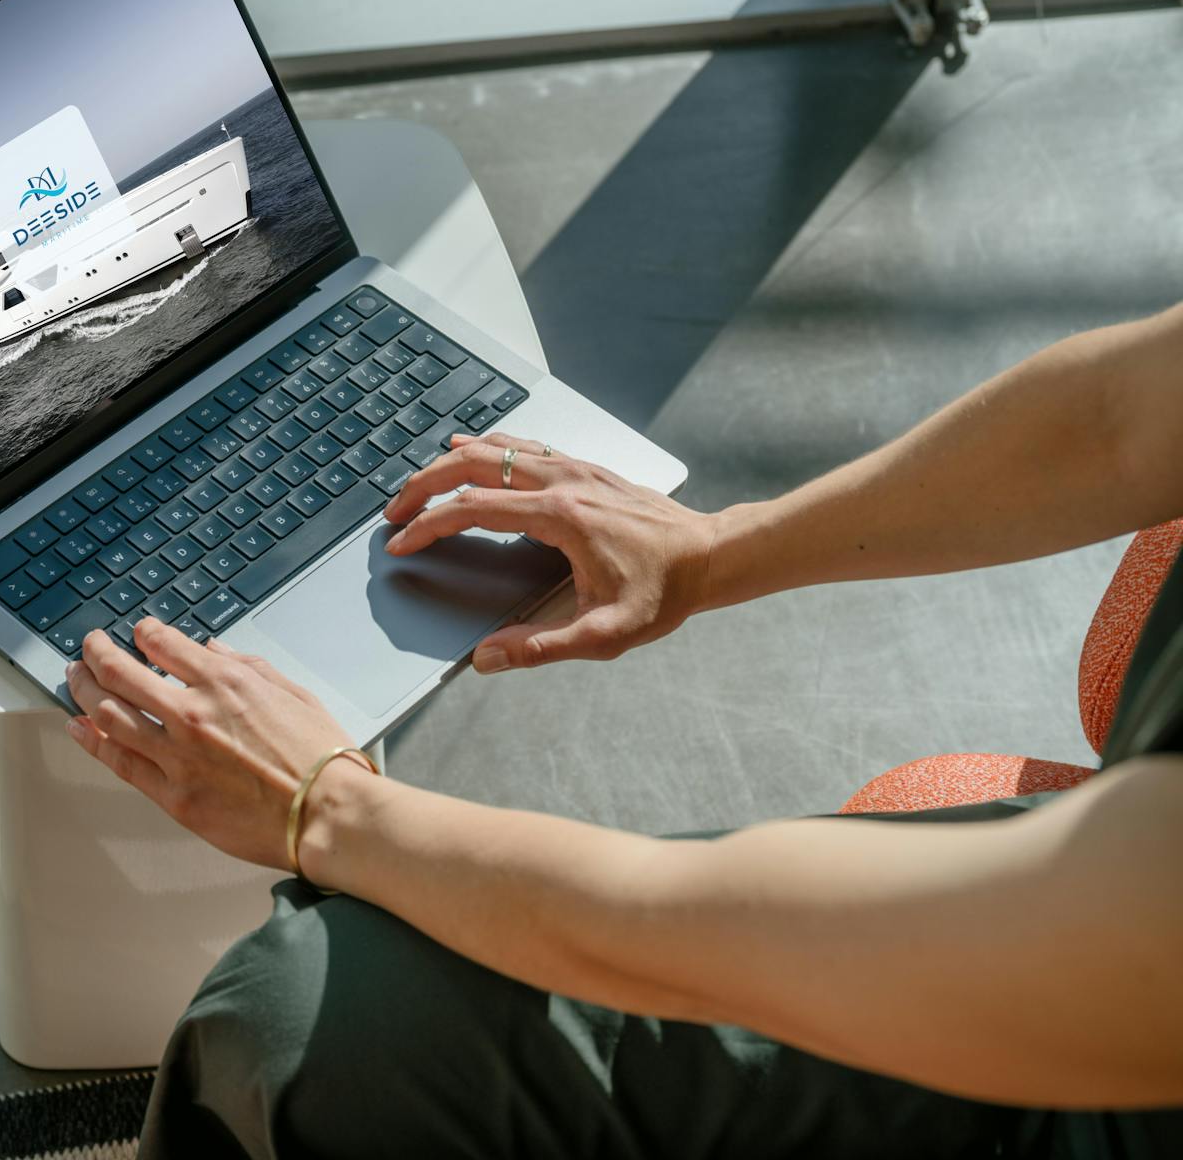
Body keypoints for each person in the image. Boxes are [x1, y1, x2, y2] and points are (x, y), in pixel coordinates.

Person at [62, 302, 1183, 1159]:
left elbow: (728, 946)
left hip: (1076, 1068)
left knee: (300, 1022)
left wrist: (330, 809)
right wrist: (716, 549)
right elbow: (1118, 414)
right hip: (1100, 905)